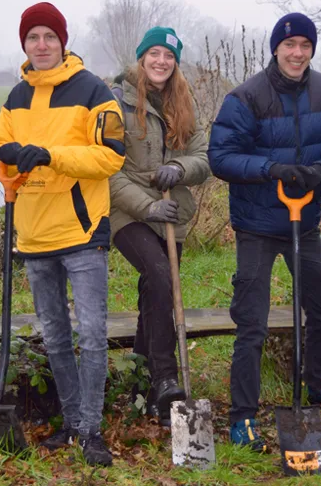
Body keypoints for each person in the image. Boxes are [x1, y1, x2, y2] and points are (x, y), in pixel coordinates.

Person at [207, 12, 321, 453]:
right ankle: (243, 416)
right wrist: (269, 169)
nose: (297, 53)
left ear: (312, 50)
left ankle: (316, 383)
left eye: (305, 46)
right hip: (257, 226)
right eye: (289, 45)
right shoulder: (245, 97)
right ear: (276, 48)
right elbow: (221, 156)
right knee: (251, 321)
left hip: (305, 222)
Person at [0, 1, 125, 467]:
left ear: (63, 42)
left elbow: (110, 157)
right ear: (24, 44)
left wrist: (49, 155)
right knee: (56, 337)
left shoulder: (93, 91)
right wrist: (6, 154)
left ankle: (92, 430)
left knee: (91, 334)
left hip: (82, 231)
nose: (41, 45)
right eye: (33, 38)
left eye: (49, 37)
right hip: (32, 234)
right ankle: (70, 423)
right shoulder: (15, 97)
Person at [108, 27, 211, 427]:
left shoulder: (183, 103)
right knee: (160, 276)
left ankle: (142, 387)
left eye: (169, 56)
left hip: (171, 214)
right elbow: (109, 169)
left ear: (175, 63)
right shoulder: (116, 100)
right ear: (141, 57)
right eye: (154, 53)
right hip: (128, 209)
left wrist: (179, 167)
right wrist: (147, 206)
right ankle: (167, 377)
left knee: (154, 294)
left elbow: (204, 157)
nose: (161, 61)